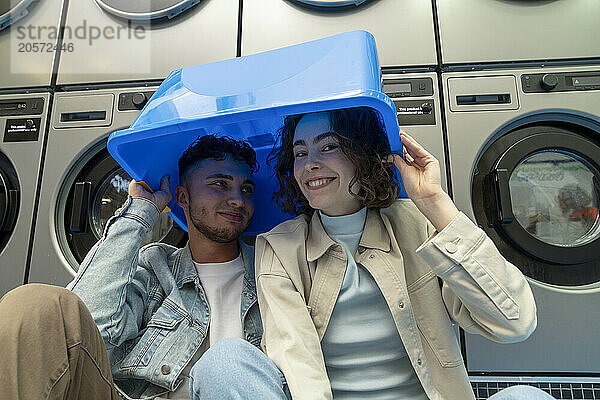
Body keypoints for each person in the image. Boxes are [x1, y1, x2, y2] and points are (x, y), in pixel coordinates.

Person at [255, 108, 555, 400]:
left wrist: (435, 202)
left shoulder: (415, 225)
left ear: (363, 155)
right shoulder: (280, 248)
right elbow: (296, 360)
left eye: (329, 146)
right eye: (300, 153)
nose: (310, 164)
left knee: (526, 396)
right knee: (229, 360)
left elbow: (515, 322)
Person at [0, 135, 289, 400]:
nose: (238, 199)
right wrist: (140, 212)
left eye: (246, 188)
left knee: (228, 359)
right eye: (220, 184)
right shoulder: (155, 267)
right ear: (183, 197)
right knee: (32, 303)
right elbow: (88, 328)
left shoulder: (276, 267)